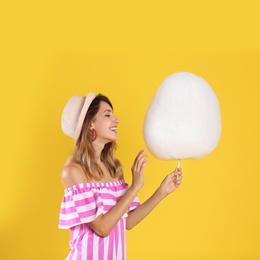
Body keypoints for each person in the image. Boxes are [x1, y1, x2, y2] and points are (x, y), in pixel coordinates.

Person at [59, 92, 183, 260]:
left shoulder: (113, 169)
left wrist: (162, 192)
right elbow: (102, 228)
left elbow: (127, 222)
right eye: (108, 115)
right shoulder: (73, 172)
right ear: (91, 125)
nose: (116, 120)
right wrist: (135, 186)